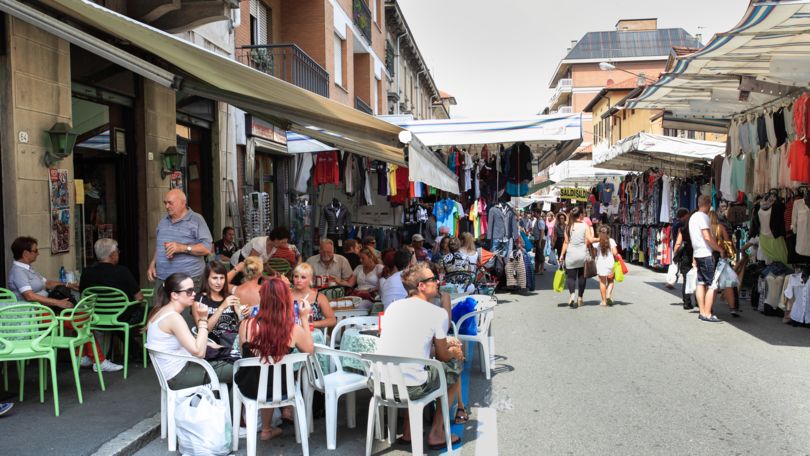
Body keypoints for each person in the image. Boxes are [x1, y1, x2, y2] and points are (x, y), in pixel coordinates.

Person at [375, 262, 464, 449]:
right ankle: (436, 432)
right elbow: (443, 357)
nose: (437, 282)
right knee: (454, 367)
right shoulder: (437, 313)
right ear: (421, 286)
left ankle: (408, 432)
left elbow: (410, 343)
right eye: (433, 279)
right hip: (411, 388)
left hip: (380, 385)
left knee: (412, 368)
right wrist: (454, 351)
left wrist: (444, 345)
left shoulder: (393, 307)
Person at [8, 236, 123, 372]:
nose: (38, 253)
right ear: (25, 253)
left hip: (46, 310)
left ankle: (82, 356)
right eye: (35, 250)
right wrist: (58, 302)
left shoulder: (28, 269)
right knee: (81, 320)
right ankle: (98, 361)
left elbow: (47, 283)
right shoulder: (18, 272)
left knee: (82, 318)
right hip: (35, 315)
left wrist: (69, 284)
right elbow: (29, 295)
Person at [236, 278, 314, 440]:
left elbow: (243, 351)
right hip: (283, 389)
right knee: (272, 373)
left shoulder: (246, 324)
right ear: (285, 299)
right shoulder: (293, 329)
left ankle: (266, 429)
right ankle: (275, 422)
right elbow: (310, 350)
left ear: (262, 298)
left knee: (265, 371)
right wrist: (304, 317)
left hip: (250, 386)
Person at [145, 272, 232, 389]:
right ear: (175, 295)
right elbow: (199, 352)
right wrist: (203, 319)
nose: (194, 294)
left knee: (232, 363)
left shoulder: (160, 312)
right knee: (240, 369)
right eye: (189, 291)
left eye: (194, 290)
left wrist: (209, 344)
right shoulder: (173, 317)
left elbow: (183, 341)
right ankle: (232, 406)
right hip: (179, 376)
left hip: (175, 371)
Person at [147, 189, 213, 301]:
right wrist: (153, 264)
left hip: (187, 281)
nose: (167, 206)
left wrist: (182, 248)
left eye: (170, 203)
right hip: (162, 280)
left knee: (184, 317)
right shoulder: (163, 221)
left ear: (183, 203)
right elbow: (160, 246)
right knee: (161, 315)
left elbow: (207, 248)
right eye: (165, 203)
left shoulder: (197, 220)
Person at [79, 238, 145, 324]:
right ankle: (128, 337)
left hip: (95, 316)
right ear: (113, 254)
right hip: (121, 317)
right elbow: (139, 297)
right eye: (117, 251)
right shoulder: (122, 271)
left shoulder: (87, 272)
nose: (119, 253)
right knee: (144, 310)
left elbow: (83, 295)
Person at [688, 195, 725, 322]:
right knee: (712, 285)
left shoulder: (693, 217)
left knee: (701, 283)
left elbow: (695, 238)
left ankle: (702, 311)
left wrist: (693, 256)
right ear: (708, 204)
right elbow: (707, 237)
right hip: (706, 254)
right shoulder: (703, 217)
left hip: (698, 253)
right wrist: (719, 249)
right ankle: (708, 313)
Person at [197, 261, 246, 348]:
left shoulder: (230, 297)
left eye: (222, 278)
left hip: (234, 343)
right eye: (215, 278)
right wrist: (222, 307)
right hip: (213, 347)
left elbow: (241, 324)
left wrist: (242, 314)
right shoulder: (200, 300)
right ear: (207, 278)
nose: (219, 282)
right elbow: (204, 330)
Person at [559, 207, 596, 308]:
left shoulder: (568, 226)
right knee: (581, 277)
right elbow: (590, 240)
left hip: (571, 254)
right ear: (580, 215)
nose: (583, 215)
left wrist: (562, 255)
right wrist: (602, 238)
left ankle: (572, 295)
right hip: (582, 254)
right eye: (583, 214)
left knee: (571, 277)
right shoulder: (585, 225)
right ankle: (580, 298)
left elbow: (565, 243)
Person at [709, 211, 740, 317]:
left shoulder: (706, 228)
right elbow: (728, 242)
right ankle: (733, 308)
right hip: (720, 256)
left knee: (712, 285)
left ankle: (708, 308)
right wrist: (731, 253)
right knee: (728, 283)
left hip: (708, 256)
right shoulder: (720, 227)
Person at [290, 263, 336, 331]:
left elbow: (332, 320)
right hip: (291, 333)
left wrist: (312, 324)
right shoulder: (287, 294)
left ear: (310, 279)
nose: (298, 280)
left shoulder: (319, 297)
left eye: (303, 277)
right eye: (296, 276)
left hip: (313, 335)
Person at [672, 208, 695, 310]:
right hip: (696, 254)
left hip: (685, 254)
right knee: (699, 278)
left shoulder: (682, 229)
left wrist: (675, 256)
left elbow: (677, 244)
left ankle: (687, 302)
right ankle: (700, 301)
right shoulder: (696, 228)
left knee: (686, 278)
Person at [594, 226, 620, 306]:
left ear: (599, 232)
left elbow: (594, 253)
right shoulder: (611, 241)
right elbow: (615, 253)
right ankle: (608, 295)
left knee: (602, 282)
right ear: (608, 233)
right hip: (610, 264)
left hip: (600, 264)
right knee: (611, 281)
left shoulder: (596, 242)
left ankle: (604, 301)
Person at [532, 210, 547, 274]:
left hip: (540, 240)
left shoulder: (540, 221)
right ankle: (537, 269)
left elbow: (542, 232)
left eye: (534, 212)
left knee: (540, 255)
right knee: (537, 255)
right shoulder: (537, 220)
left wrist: (540, 242)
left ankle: (541, 270)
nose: (533, 213)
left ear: (537, 213)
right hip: (537, 239)